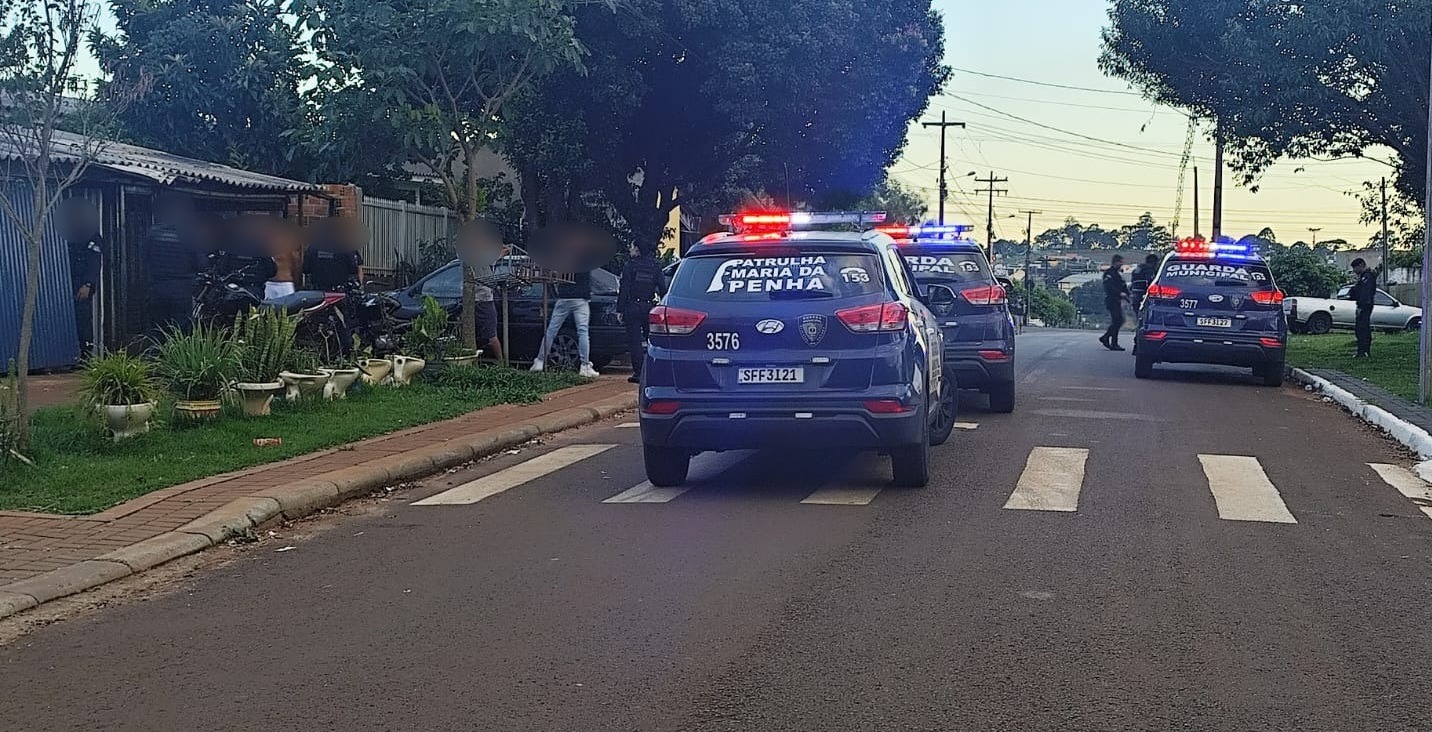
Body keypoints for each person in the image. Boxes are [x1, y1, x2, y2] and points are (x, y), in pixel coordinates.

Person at [142, 192, 205, 331]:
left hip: (157, 289)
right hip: (182, 291)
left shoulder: (153, 233)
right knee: (180, 332)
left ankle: (156, 353)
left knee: (158, 331)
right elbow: (201, 263)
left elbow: (144, 259)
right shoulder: (188, 234)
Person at [530, 269, 599, 378]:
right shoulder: (586, 260)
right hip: (581, 298)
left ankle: (540, 361)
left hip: (564, 297)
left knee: (551, 330)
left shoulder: (564, 260)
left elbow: (556, 276)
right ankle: (585, 365)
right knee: (583, 332)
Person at [617, 243, 668, 383]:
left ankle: (639, 373)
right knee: (651, 340)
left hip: (633, 306)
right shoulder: (655, 266)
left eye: (633, 247)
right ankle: (656, 369)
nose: (630, 249)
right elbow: (663, 289)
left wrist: (620, 309)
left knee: (635, 342)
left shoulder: (630, 266)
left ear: (638, 249)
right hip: (649, 306)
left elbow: (624, 288)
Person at [58, 198, 103, 357]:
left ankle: (86, 353)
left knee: (83, 319)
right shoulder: (63, 233)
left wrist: (88, 284)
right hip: (62, 284)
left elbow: (94, 262)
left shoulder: (92, 236)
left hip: (82, 285)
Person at [303, 217, 365, 292]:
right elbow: (353, 269)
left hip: (318, 292)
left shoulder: (313, 247)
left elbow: (305, 269)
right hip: (339, 292)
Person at [1099, 254, 1129, 351]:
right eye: (1120, 262)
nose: (1121, 264)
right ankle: (1109, 339)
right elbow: (1109, 287)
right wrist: (1120, 293)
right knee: (1118, 320)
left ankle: (1109, 339)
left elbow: (1123, 286)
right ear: (1115, 262)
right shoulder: (1109, 273)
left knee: (1118, 320)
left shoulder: (1118, 274)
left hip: (1117, 300)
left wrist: (1128, 295)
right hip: (1112, 300)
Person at [1350, 257, 1378, 358]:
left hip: (1365, 305)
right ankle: (1361, 351)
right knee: (1360, 328)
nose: (1354, 270)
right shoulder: (1363, 277)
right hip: (1362, 304)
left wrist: (1361, 306)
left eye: (1355, 267)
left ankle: (1364, 351)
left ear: (1361, 265)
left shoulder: (1368, 277)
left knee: (1363, 328)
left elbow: (1365, 293)